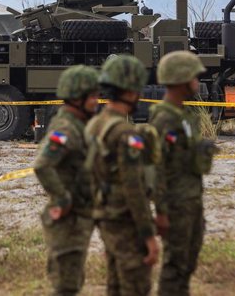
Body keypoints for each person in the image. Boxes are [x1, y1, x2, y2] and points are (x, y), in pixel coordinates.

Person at [86, 54, 159, 296]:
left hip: (105, 216)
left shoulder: (95, 125)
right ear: (129, 91)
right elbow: (133, 187)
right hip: (125, 219)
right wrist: (148, 234)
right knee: (135, 285)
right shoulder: (125, 133)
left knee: (115, 283)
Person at [150, 51, 215, 296]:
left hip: (191, 198)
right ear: (181, 79)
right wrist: (162, 212)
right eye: (194, 77)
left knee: (188, 259)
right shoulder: (165, 118)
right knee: (174, 264)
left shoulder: (185, 116)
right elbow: (156, 167)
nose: (197, 83)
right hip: (175, 202)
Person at [34, 65, 99, 296]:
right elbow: (42, 165)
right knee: (66, 285)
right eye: (92, 96)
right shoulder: (66, 128)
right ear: (76, 98)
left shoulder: (78, 125)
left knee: (72, 281)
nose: (96, 101)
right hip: (67, 221)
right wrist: (62, 199)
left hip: (79, 217)